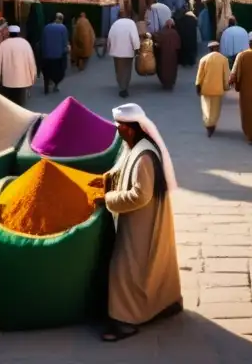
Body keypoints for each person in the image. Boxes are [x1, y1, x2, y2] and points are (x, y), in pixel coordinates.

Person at [101, 103, 182, 342]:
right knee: (154, 265)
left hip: (142, 222)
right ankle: (164, 304)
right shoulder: (135, 146)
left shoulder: (144, 156)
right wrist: (106, 179)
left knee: (124, 270)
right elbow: (123, 167)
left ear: (130, 128)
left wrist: (107, 198)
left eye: (119, 127)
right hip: (142, 220)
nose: (117, 131)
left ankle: (125, 321)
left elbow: (140, 195)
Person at [0, 25, 37, 106]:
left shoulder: (3, 44)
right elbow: (31, 62)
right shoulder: (25, 44)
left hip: (8, 80)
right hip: (23, 79)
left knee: (11, 101)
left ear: (8, 33)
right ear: (19, 33)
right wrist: (33, 76)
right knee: (21, 101)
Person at [196, 41, 230, 137]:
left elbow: (199, 76)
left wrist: (198, 87)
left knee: (206, 108)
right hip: (217, 89)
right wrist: (226, 86)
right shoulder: (223, 59)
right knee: (215, 109)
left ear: (209, 49)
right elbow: (226, 76)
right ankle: (212, 125)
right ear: (218, 48)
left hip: (206, 89)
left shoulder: (204, 59)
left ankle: (208, 124)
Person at [108, 7, 141, 98]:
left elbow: (110, 37)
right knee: (127, 69)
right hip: (128, 51)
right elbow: (134, 38)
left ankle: (121, 85)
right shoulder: (131, 23)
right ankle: (124, 87)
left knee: (119, 70)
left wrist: (109, 47)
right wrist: (137, 48)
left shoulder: (115, 24)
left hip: (116, 51)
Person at [40, 12, 70, 94]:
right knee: (60, 70)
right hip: (58, 56)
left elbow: (43, 41)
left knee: (47, 70)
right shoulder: (63, 28)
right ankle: (56, 84)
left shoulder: (46, 27)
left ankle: (48, 83)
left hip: (47, 55)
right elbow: (65, 42)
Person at [154, 19, 181, 90]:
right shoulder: (175, 33)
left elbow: (158, 42)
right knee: (172, 69)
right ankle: (171, 82)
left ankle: (165, 83)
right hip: (173, 55)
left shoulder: (162, 32)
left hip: (163, 54)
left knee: (163, 68)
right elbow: (178, 45)